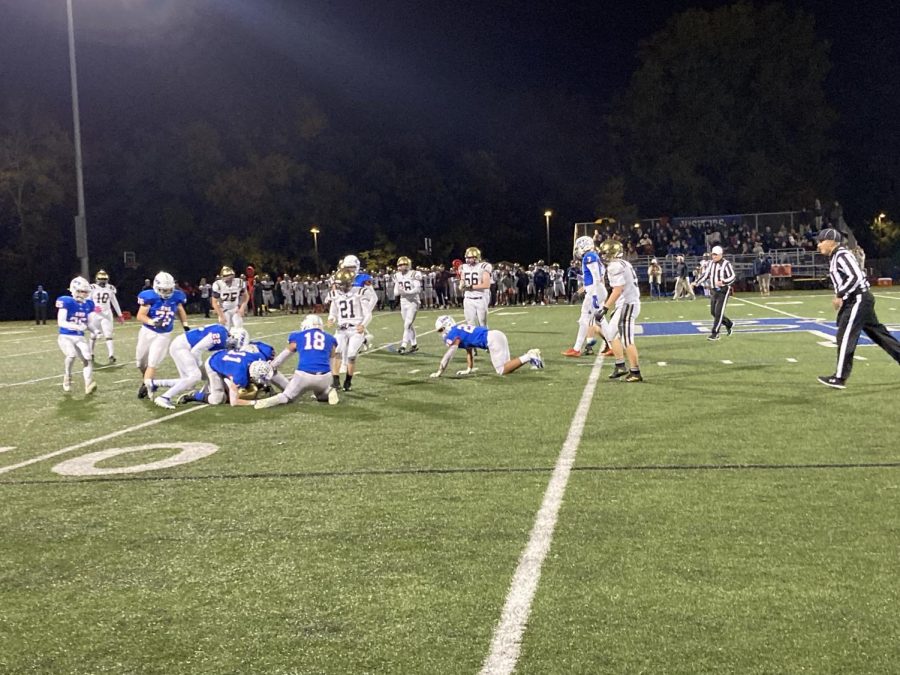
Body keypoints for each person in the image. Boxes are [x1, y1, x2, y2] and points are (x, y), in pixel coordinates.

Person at [815, 228, 900, 389]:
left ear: (831, 241)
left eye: (821, 241)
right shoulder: (836, 257)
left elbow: (855, 276)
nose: (818, 245)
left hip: (858, 299)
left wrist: (840, 294)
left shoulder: (841, 255)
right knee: (879, 334)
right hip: (857, 299)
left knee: (845, 336)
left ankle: (840, 377)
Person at [146, 323, 240, 409]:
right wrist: (200, 366)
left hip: (181, 346)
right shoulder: (220, 334)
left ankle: (154, 383)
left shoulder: (223, 334)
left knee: (188, 383)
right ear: (231, 335)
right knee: (195, 376)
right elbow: (196, 351)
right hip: (182, 347)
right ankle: (164, 397)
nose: (232, 345)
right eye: (233, 341)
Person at [257, 315, 340, 408]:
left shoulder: (298, 336)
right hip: (325, 377)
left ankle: (266, 402)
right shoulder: (330, 338)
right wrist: (330, 376)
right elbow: (332, 359)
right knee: (321, 396)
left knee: (287, 396)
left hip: (304, 376)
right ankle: (329, 391)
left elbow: (285, 354)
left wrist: (272, 366)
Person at [430, 315, 543, 377]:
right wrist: (468, 369)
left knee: (501, 370)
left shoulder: (453, 334)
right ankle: (533, 359)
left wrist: (439, 371)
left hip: (492, 340)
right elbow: (469, 351)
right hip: (497, 335)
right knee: (507, 367)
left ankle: (530, 356)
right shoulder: (459, 330)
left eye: (441, 330)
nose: (441, 333)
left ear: (447, 325)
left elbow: (449, 355)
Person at [135, 271, 189, 399]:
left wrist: (185, 324)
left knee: (153, 362)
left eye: (169, 290)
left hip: (164, 334)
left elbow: (180, 310)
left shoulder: (177, 296)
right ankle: (147, 380)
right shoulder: (149, 296)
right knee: (140, 363)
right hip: (147, 331)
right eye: (163, 290)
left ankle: (149, 387)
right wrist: (151, 321)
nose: (166, 293)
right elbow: (140, 315)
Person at [596, 240, 643, 382]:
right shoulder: (623, 263)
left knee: (627, 340)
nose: (603, 256)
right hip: (625, 303)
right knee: (610, 334)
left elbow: (617, 290)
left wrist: (604, 308)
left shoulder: (614, 266)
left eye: (605, 253)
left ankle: (635, 372)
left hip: (628, 304)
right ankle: (620, 365)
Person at [180, 347, 275, 406]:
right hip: (213, 364)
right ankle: (195, 395)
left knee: (247, 386)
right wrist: (254, 403)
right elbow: (234, 402)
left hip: (226, 357)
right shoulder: (240, 376)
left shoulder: (259, 358)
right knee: (218, 399)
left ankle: (214, 386)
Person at [328, 267, 372, 391]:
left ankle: (348, 381)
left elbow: (368, 313)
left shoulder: (359, 292)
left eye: (343, 284)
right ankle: (335, 381)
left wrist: (363, 325)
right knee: (337, 351)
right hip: (341, 328)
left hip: (355, 329)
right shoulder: (335, 294)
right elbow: (333, 312)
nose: (341, 287)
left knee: (351, 355)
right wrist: (331, 319)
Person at [563, 236, 607, 357]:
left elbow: (596, 277)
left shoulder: (589, 257)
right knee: (599, 320)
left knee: (587, 319)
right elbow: (598, 275)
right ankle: (612, 345)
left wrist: (592, 295)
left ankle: (577, 349)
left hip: (595, 291)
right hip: (597, 290)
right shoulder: (594, 256)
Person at [55, 276, 97, 395]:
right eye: (79, 291)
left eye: (84, 291)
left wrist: (95, 331)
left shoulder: (88, 304)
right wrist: (77, 326)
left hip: (80, 337)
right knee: (71, 355)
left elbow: (88, 323)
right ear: (73, 290)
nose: (82, 294)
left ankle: (88, 385)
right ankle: (67, 376)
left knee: (87, 358)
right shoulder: (66, 301)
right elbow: (61, 322)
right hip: (66, 336)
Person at [693, 245, 735, 341]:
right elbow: (706, 275)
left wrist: (723, 282)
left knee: (718, 312)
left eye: (716, 255)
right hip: (714, 290)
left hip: (723, 290)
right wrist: (696, 282)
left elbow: (732, 276)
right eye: (713, 255)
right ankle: (729, 324)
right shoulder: (711, 263)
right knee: (713, 312)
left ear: (721, 255)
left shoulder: (726, 264)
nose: (714, 256)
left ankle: (715, 333)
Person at [88, 270, 125, 364]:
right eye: (101, 279)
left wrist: (120, 314)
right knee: (93, 335)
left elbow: (114, 302)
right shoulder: (92, 288)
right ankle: (91, 353)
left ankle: (111, 355)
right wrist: (93, 307)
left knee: (108, 334)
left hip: (107, 313)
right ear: (97, 279)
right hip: (95, 314)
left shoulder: (110, 288)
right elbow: (88, 301)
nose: (102, 281)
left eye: (104, 279)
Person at [392, 256, 423, 354]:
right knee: (408, 324)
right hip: (403, 301)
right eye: (400, 265)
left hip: (413, 301)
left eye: (404, 264)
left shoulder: (414, 274)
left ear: (408, 265)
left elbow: (417, 289)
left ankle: (403, 345)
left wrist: (406, 292)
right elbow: (396, 291)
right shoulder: (397, 275)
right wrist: (399, 292)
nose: (401, 267)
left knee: (407, 324)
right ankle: (414, 344)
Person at [459, 246, 492, 327]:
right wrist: (461, 284)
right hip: (468, 299)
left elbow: (486, 285)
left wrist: (471, 287)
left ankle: (484, 339)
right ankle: (472, 339)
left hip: (480, 298)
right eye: (467, 257)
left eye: (470, 257)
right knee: (470, 323)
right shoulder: (463, 267)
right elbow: (463, 279)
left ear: (477, 257)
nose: (468, 259)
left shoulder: (484, 266)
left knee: (482, 323)